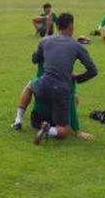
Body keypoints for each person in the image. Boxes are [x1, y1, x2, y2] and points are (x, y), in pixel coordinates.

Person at [31, 13, 99, 145]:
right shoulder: (77, 45)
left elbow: (34, 59)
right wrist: (76, 78)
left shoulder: (45, 41)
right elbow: (93, 71)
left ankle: (18, 119)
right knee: (63, 131)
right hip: (60, 91)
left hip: (42, 86)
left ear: (56, 26)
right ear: (71, 27)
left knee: (29, 85)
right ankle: (49, 130)